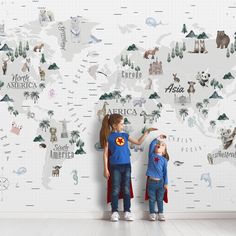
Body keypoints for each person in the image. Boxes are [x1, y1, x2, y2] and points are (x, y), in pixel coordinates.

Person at [100, 113, 157, 222]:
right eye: (121, 124)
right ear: (114, 125)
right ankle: (114, 212)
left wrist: (147, 132)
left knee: (126, 189)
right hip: (114, 166)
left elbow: (138, 142)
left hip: (126, 165)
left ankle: (127, 211)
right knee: (115, 189)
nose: (123, 125)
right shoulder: (109, 137)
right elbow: (105, 154)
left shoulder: (125, 135)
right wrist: (105, 169)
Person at [146, 135, 169, 221]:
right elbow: (152, 144)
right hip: (151, 182)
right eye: (158, 144)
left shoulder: (164, 160)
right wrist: (158, 138)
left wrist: (166, 183)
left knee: (160, 199)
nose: (159, 145)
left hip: (161, 183)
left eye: (163, 145)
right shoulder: (151, 156)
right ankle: (152, 213)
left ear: (164, 151)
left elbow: (165, 172)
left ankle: (161, 213)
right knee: (152, 199)